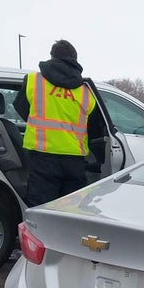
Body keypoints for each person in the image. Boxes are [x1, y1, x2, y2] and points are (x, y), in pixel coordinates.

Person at [14, 39, 103, 207]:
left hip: (43, 156)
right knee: (71, 208)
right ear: (75, 60)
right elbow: (94, 127)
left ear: (52, 56)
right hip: (74, 159)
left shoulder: (33, 80)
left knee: (42, 207)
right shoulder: (86, 91)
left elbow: (21, 107)